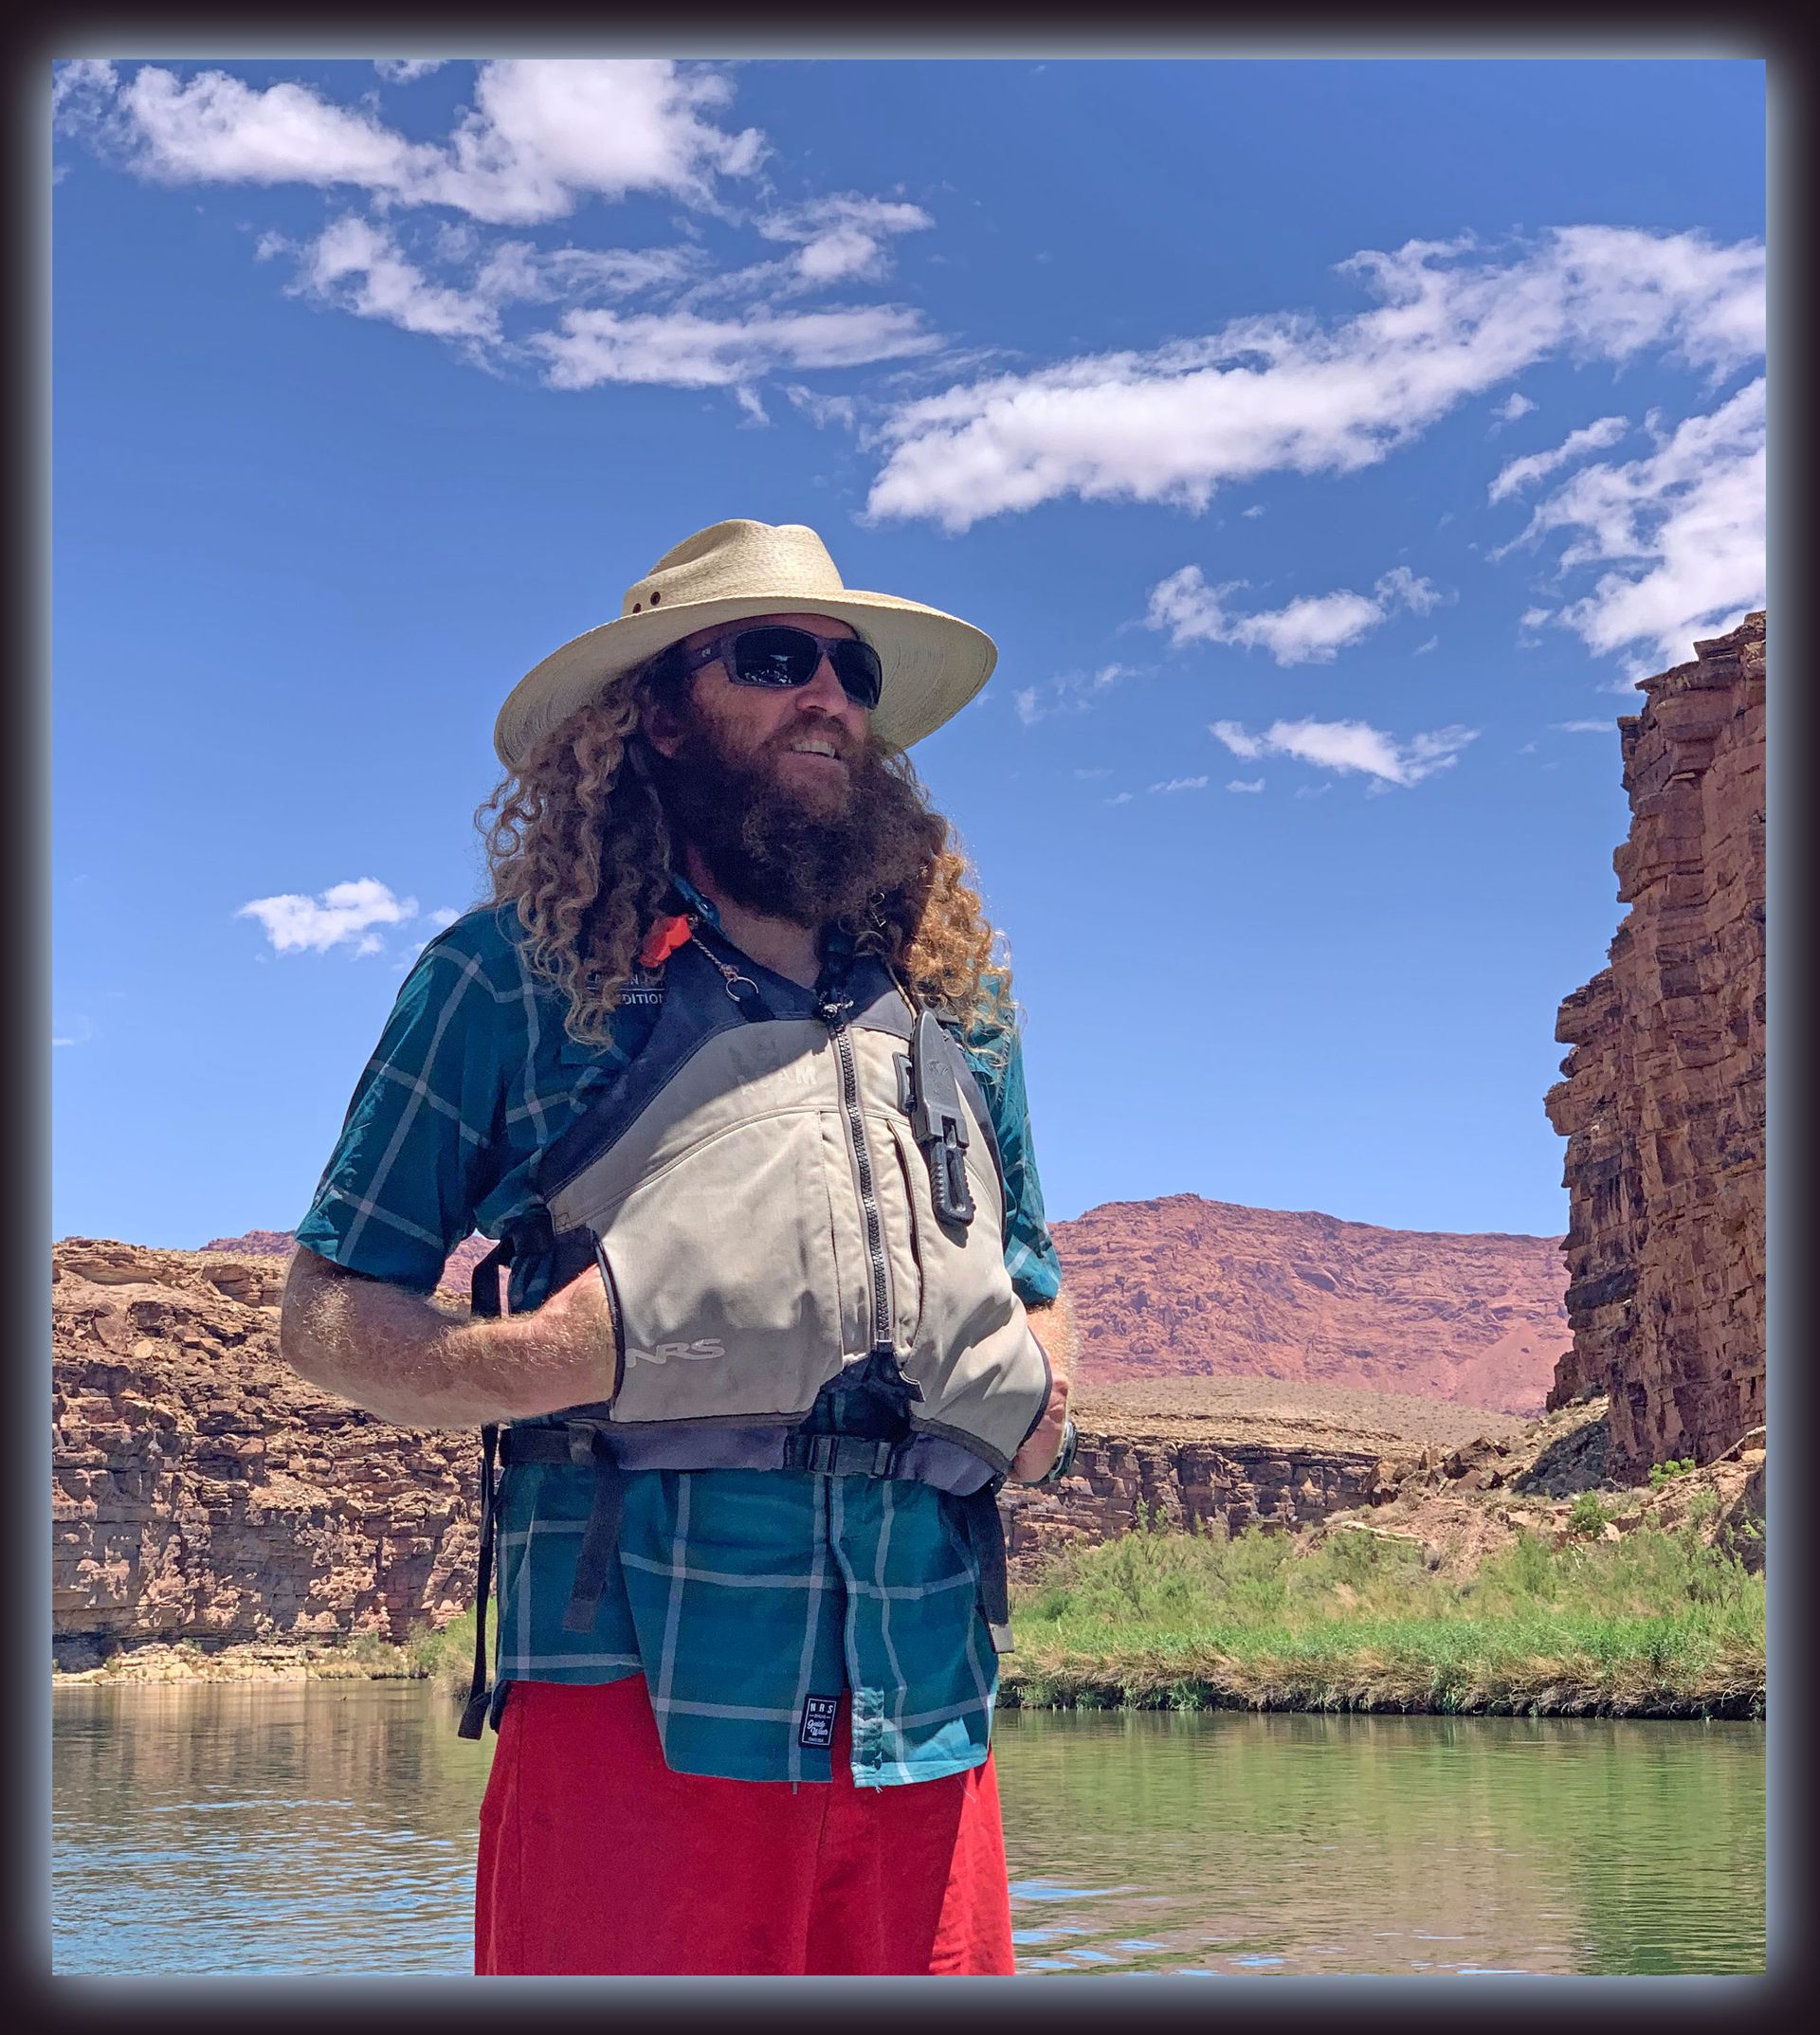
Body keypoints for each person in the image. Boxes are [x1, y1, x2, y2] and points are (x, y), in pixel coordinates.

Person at [280, 518, 1077, 1977]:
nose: (829, 695)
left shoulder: (959, 1009)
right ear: (654, 714)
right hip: (630, 1707)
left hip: (924, 1705)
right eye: (774, 659)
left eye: (850, 668)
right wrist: (527, 1360)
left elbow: (1031, 1271)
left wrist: (1040, 1390)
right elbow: (325, 1310)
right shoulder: (506, 978)